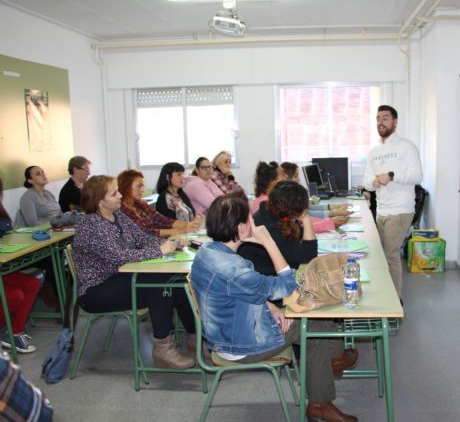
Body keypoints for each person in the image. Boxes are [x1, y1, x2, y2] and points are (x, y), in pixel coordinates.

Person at [190, 193, 358, 422]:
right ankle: (321, 399)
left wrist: (271, 307)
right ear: (241, 228)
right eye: (250, 218)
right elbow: (287, 287)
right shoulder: (233, 269)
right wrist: (269, 242)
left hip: (226, 332)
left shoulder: (208, 252)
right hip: (240, 344)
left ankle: (327, 368)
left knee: (315, 325)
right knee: (316, 329)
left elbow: (238, 292)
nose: (255, 222)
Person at [73, 175, 196, 369]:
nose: (120, 195)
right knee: (159, 284)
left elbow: (142, 238)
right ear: (99, 201)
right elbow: (119, 257)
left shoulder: (117, 216)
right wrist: (160, 250)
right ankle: (163, 350)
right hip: (96, 290)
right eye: (114, 193)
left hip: (120, 277)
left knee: (178, 282)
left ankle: (195, 339)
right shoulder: (90, 225)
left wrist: (170, 243)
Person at [362, 105, 423, 299]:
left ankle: (395, 302)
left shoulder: (406, 146)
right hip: (382, 211)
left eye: (385, 118)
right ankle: (386, 296)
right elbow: (366, 181)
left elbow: (417, 176)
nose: (381, 122)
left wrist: (391, 176)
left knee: (390, 256)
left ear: (395, 122)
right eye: (378, 118)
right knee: (382, 256)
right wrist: (372, 182)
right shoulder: (374, 152)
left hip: (401, 210)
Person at [0, 177, 41, 354]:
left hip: (3, 265)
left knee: (32, 283)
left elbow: (8, 229)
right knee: (15, 295)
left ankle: (14, 333)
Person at [117, 169, 202, 238]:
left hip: (157, 242)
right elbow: (145, 232)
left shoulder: (141, 204)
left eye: (143, 186)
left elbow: (162, 220)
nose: (143, 190)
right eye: (139, 186)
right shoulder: (121, 211)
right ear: (126, 186)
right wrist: (181, 230)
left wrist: (190, 225)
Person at [279, 161, 350, 232]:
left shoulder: (291, 195)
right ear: (286, 178)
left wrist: (333, 210)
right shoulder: (285, 199)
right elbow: (305, 217)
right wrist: (332, 215)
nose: (299, 179)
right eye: (296, 176)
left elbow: (308, 210)